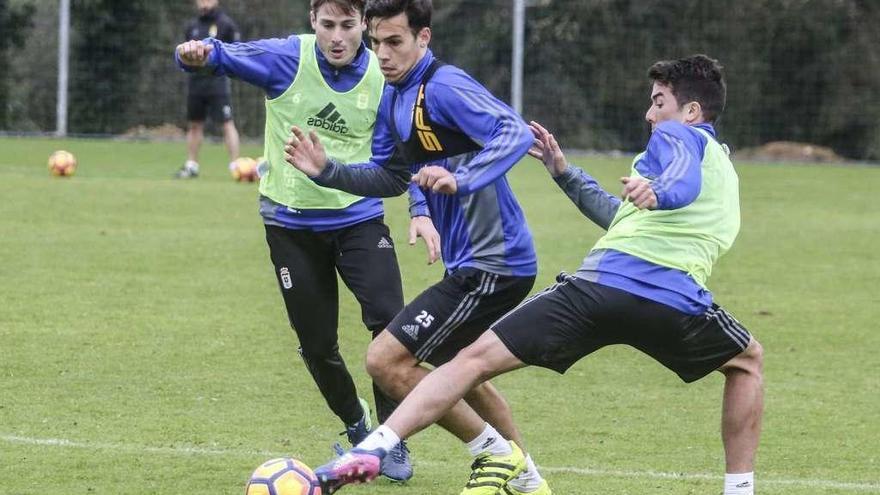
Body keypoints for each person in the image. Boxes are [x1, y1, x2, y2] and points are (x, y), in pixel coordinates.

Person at [316, 54, 765, 495]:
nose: (650, 114)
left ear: (690, 111)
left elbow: (678, 176)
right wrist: (565, 173)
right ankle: (739, 489)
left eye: (659, 102)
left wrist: (661, 189)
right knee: (747, 362)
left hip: (595, 289)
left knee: (470, 362)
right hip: (669, 301)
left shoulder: (680, 140)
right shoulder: (723, 174)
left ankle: (376, 446)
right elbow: (624, 217)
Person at [284, 2, 551, 494]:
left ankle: (492, 452)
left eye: (395, 42)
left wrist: (460, 176)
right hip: (473, 263)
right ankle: (529, 482)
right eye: (376, 42)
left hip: (495, 263)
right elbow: (390, 175)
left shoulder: (444, 86)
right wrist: (329, 172)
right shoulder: (394, 97)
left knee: (385, 360)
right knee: (466, 373)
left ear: (423, 39)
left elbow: (512, 130)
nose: (382, 55)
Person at [174, 0, 420, 481]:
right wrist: (193, 55)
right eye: (327, 25)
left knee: (392, 328)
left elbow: (404, 159)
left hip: (358, 219)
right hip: (291, 225)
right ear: (313, 22)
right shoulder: (288, 58)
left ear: (363, 26)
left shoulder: (384, 74)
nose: (337, 38)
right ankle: (356, 426)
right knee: (317, 345)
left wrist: (421, 209)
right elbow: (222, 54)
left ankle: (389, 442)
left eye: (348, 26)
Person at [177, 0, 242, 179]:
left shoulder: (226, 24)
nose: (204, 3)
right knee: (194, 124)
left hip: (218, 84)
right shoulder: (192, 26)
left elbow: (236, 51)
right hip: (196, 84)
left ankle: (236, 166)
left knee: (227, 124)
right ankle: (191, 165)